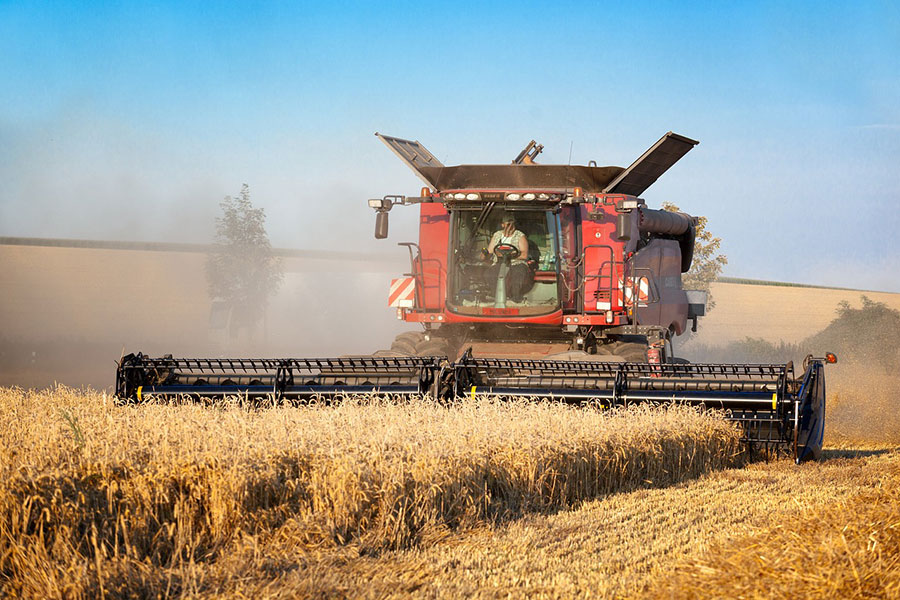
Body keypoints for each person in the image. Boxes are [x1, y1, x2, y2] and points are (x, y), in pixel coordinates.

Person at [483, 213, 535, 302]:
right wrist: (484, 254)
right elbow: (490, 251)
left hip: (516, 263)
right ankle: (495, 296)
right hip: (499, 262)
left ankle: (516, 298)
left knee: (518, 274)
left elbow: (524, 255)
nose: (511, 226)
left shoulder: (520, 236)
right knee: (489, 274)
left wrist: (510, 256)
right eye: (508, 224)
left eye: (512, 224)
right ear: (502, 224)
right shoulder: (497, 235)